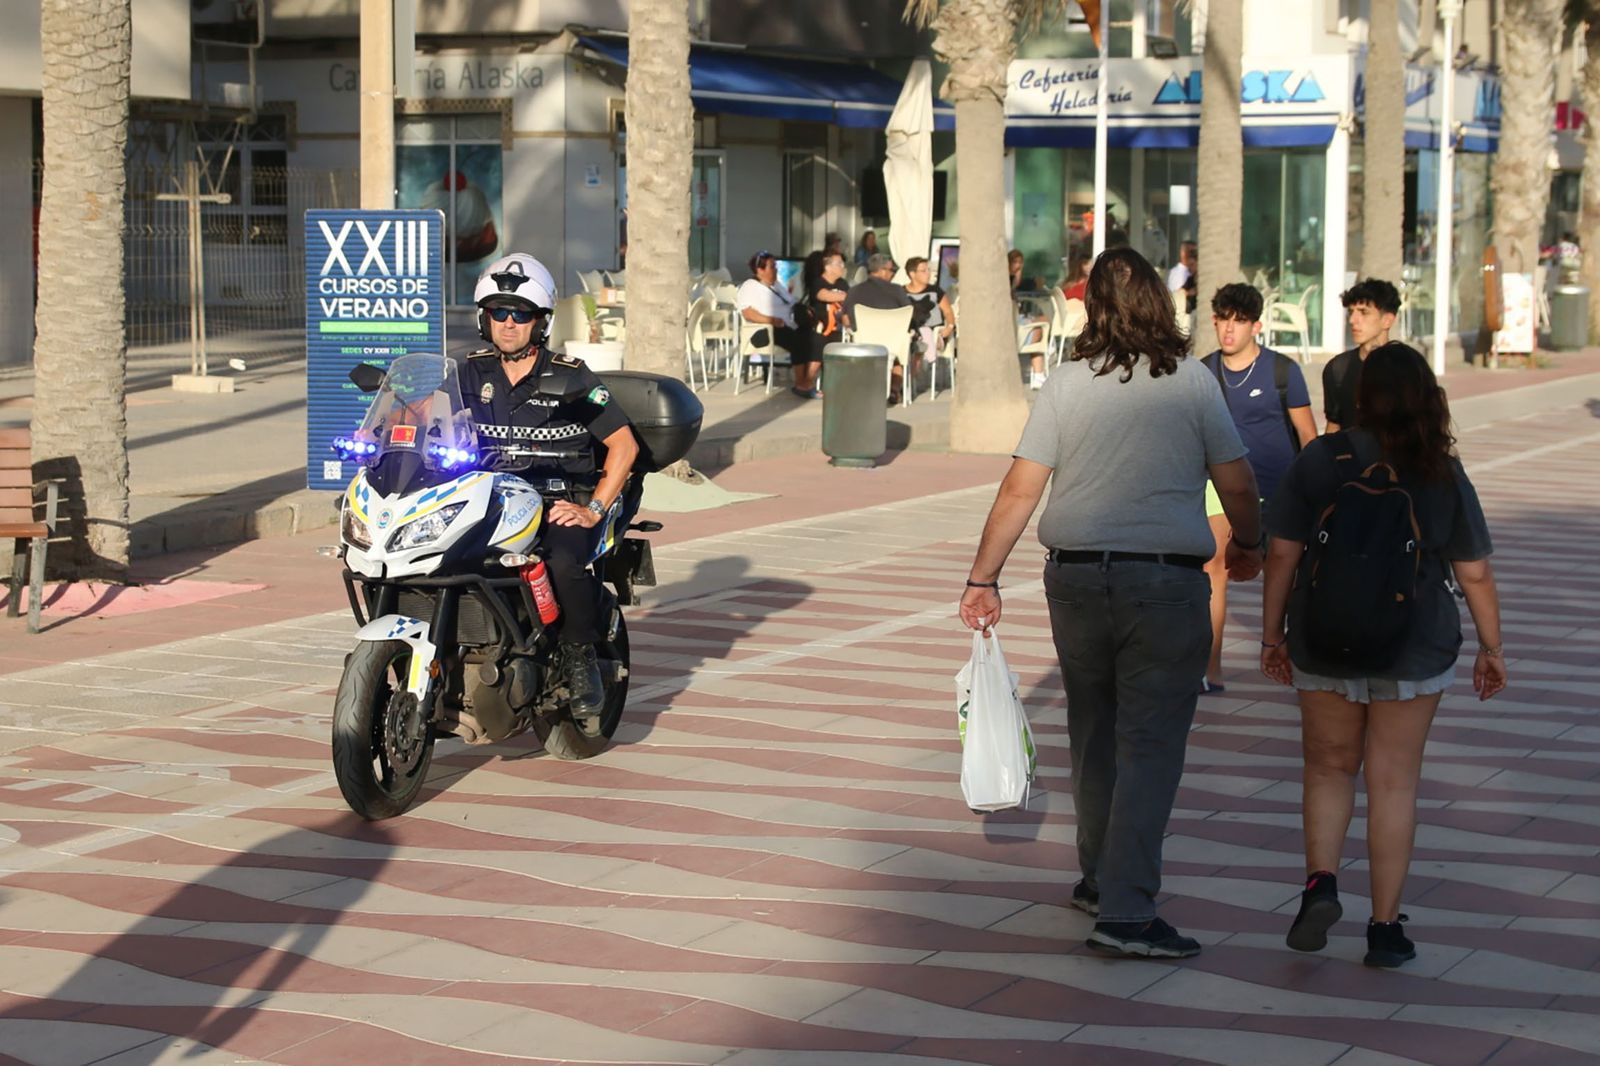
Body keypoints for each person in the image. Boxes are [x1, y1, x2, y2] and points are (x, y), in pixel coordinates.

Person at [959, 247, 1264, 960]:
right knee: (1151, 743)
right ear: (1162, 302)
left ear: (1090, 307)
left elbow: (1020, 488)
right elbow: (1239, 483)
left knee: (1093, 733)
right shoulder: (1191, 382)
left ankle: (1099, 878)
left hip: (1074, 579)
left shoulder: (1066, 383)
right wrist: (1249, 541)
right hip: (1164, 583)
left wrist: (983, 578)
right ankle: (1128, 913)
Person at [1261, 342, 1506, 969]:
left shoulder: (1322, 459)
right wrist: (1491, 646)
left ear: (1362, 397)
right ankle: (1385, 926)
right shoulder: (1438, 469)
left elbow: (1284, 554)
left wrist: (1273, 636)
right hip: (1413, 643)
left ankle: (1321, 883)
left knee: (1328, 769)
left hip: (1324, 635)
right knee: (1393, 781)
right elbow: (1473, 572)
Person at [463, 253, 640, 718]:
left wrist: (594, 510)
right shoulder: (470, 372)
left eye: (520, 314)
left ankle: (579, 655)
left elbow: (624, 446)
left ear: (540, 322)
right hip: (488, 501)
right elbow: (425, 420)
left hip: (557, 502)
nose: (508, 323)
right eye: (498, 312)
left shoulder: (572, 375)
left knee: (563, 560)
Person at [1199, 284, 1318, 692]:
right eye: (1222, 320)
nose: (1229, 330)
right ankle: (1210, 669)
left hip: (1281, 488)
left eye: (1238, 321)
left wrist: (1316, 489)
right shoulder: (1204, 372)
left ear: (1256, 326)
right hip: (1222, 489)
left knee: (1286, 572)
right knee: (1213, 568)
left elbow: (1307, 434)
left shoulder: (1283, 372)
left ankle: (1297, 661)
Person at [737, 249, 821, 398]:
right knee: (799, 341)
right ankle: (801, 382)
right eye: (772, 266)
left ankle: (806, 381)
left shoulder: (776, 285)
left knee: (817, 339)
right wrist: (772, 320)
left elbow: (791, 301)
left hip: (789, 324)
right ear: (760, 270)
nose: (776, 269)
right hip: (769, 328)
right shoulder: (750, 286)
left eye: (775, 266)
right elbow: (748, 312)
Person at [1322, 278, 1400, 433]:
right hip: (1352, 455)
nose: (1352, 320)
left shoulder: (1406, 368)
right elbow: (1334, 424)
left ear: (1387, 320)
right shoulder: (1338, 369)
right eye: (1351, 312)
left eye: (1364, 312)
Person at [843, 252, 913, 403]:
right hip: (892, 345)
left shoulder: (854, 291)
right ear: (881, 271)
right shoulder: (897, 291)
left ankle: (861, 389)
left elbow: (846, 319)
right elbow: (909, 315)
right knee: (901, 351)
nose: (893, 274)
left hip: (863, 344)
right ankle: (894, 390)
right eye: (891, 270)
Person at [904, 255, 954, 383]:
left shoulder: (935, 291)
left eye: (928, 270)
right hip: (910, 332)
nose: (928, 273)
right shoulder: (901, 292)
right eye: (924, 270)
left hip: (934, 332)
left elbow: (948, 312)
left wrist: (950, 327)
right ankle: (905, 382)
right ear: (912, 274)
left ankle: (909, 382)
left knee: (922, 340)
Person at [806, 249, 850, 351]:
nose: (842, 267)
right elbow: (824, 295)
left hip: (841, 329)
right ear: (828, 267)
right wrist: (846, 296)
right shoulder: (818, 282)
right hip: (822, 331)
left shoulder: (842, 283)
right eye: (839, 264)